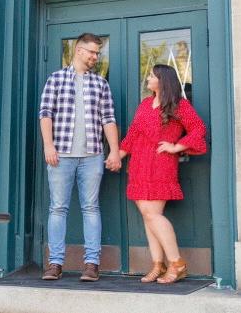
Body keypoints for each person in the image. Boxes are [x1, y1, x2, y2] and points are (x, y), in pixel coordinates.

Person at [38, 33, 121, 282]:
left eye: (98, 53)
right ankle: (55, 263)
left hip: (92, 156)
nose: (96, 56)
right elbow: (45, 114)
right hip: (60, 155)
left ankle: (91, 264)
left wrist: (114, 150)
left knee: (91, 208)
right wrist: (48, 146)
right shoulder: (56, 79)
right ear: (79, 50)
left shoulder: (100, 84)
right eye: (92, 52)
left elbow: (108, 119)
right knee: (58, 208)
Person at [115, 64, 207, 284]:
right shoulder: (145, 104)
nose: (148, 78)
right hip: (139, 164)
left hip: (160, 164)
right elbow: (133, 134)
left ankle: (177, 263)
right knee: (148, 216)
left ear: (162, 81)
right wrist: (117, 156)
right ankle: (158, 264)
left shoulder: (179, 105)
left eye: (151, 76)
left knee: (152, 215)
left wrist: (176, 147)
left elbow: (198, 128)